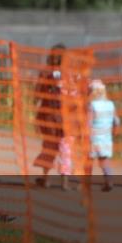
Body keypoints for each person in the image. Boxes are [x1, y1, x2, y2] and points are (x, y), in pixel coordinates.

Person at [32, 44, 73, 190]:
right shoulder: (69, 74)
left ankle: (46, 179)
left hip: (47, 116)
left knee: (49, 147)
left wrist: (35, 110)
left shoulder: (45, 72)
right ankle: (65, 183)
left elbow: (37, 95)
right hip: (65, 117)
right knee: (65, 149)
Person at [85, 79, 120, 191]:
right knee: (104, 161)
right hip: (106, 137)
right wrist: (114, 132)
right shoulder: (110, 104)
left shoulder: (92, 105)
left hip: (94, 137)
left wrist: (85, 136)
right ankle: (109, 181)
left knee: (88, 161)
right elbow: (117, 121)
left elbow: (88, 123)